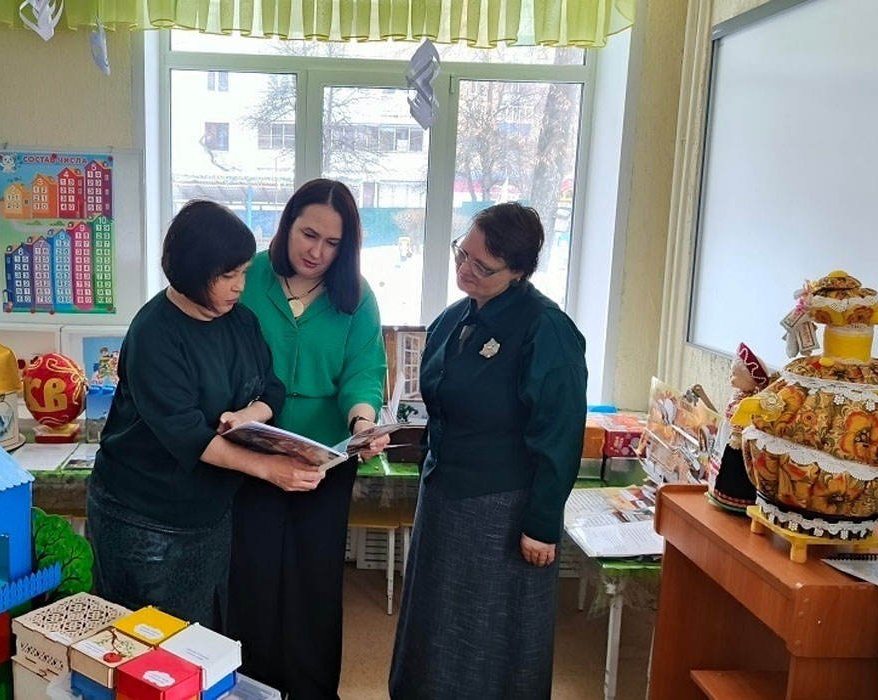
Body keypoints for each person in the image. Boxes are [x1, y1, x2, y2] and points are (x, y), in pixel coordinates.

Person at [86, 200, 323, 631]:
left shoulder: (239, 321)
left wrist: (249, 414)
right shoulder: (155, 334)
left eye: (243, 273)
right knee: (145, 639)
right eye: (228, 276)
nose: (239, 286)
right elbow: (191, 436)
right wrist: (271, 469)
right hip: (144, 515)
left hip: (209, 511)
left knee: (203, 632)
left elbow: (271, 388)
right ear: (194, 271)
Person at [389, 202, 587, 700]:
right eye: (463, 253)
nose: (465, 269)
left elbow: (560, 435)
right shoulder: (456, 316)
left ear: (518, 271)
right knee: (436, 623)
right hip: (443, 494)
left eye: (482, 266)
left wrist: (542, 524)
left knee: (488, 633)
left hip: (502, 505)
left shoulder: (546, 328)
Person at [230, 179, 388, 699]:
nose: (317, 252)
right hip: (250, 453)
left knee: (313, 583)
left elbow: (365, 371)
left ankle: (311, 690)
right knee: (250, 577)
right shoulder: (249, 276)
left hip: (324, 463)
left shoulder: (356, 296)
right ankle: (250, 688)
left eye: (332, 243)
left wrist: (362, 423)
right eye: (308, 234)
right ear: (287, 224)